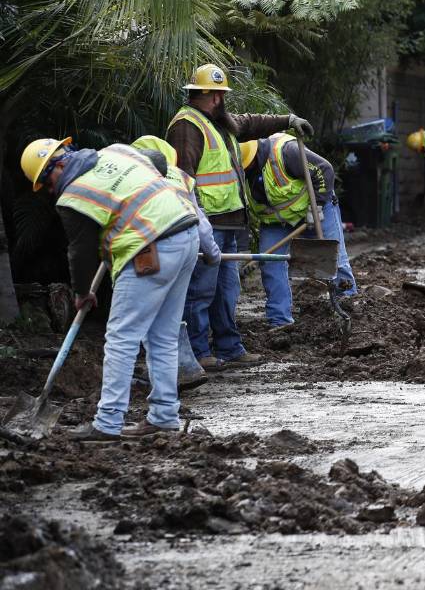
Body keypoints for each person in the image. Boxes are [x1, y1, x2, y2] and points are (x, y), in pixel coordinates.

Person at [19, 137, 212, 442]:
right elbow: (158, 162)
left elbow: (80, 251)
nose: (51, 191)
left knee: (122, 339)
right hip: (186, 235)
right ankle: (164, 416)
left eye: (46, 185)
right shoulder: (116, 151)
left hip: (151, 249)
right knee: (162, 335)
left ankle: (107, 422)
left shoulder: (73, 195)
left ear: (53, 171)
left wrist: (82, 292)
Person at [166, 63, 312, 371]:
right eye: (218, 95)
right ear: (209, 95)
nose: (221, 100)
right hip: (208, 222)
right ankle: (198, 350)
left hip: (229, 221)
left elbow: (251, 123)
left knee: (226, 290)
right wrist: (196, 220)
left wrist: (287, 120)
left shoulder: (219, 121)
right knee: (201, 290)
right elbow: (182, 178)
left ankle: (230, 348)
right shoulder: (187, 126)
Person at [131, 135, 221, 390]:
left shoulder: (132, 179)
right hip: (186, 247)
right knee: (170, 313)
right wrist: (212, 253)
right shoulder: (180, 177)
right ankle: (180, 369)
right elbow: (200, 222)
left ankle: (165, 372)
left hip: (148, 250)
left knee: (148, 313)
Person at [240, 133, 357, 329]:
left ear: (253, 159)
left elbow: (324, 170)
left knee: (334, 258)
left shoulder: (286, 152)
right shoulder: (243, 173)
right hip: (277, 221)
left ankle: (348, 308)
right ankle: (280, 321)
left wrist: (317, 207)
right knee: (270, 263)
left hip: (316, 209)